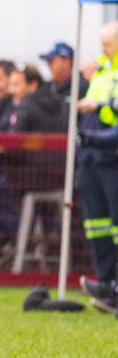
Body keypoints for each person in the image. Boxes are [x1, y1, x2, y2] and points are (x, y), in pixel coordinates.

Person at [74, 21, 118, 314]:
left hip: (111, 155)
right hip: (92, 157)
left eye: (109, 43)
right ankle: (106, 283)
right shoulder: (102, 69)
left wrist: (100, 104)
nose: (104, 49)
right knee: (97, 226)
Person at [7, 65, 67, 133]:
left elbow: (14, 139)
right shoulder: (60, 103)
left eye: (16, 84)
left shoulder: (24, 108)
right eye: (10, 85)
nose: (10, 90)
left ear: (33, 85)